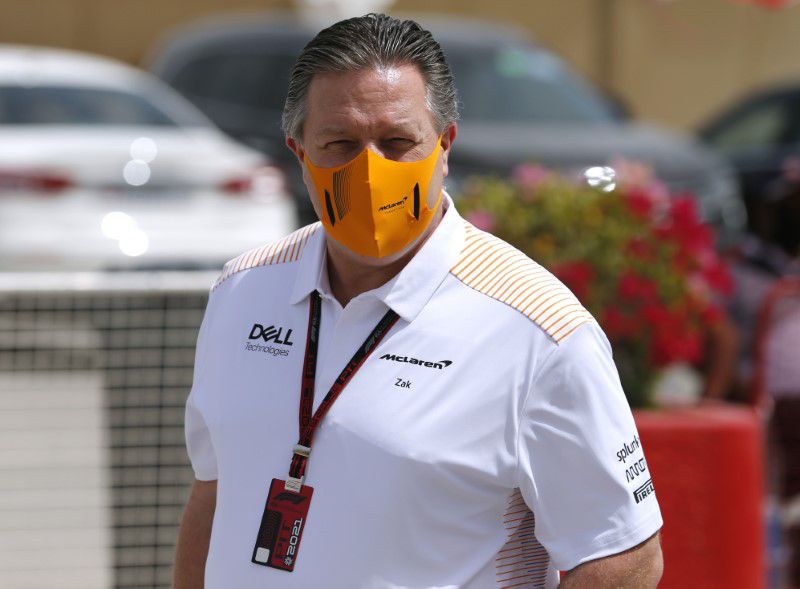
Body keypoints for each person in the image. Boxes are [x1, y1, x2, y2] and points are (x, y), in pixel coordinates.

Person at [173, 13, 663, 589]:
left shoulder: (538, 331)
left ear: (446, 145)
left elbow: (624, 559)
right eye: (341, 144)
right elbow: (215, 493)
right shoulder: (242, 292)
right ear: (299, 151)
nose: (370, 169)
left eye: (398, 142)